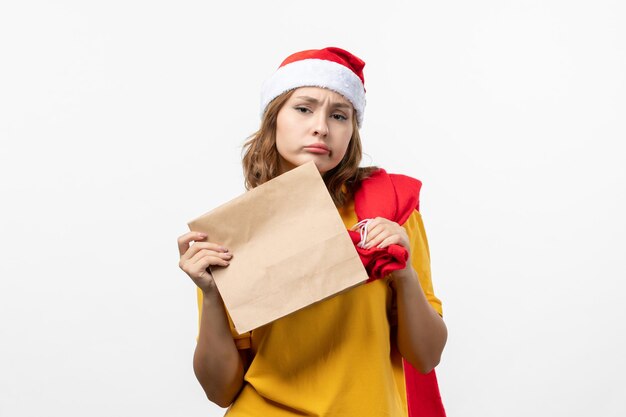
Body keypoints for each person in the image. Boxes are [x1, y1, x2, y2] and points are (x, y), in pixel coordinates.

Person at [177, 46, 447, 416]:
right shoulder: (235, 232)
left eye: (340, 115)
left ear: (352, 131)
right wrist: (210, 295)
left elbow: (427, 356)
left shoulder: (391, 211)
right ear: (273, 118)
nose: (321, 126)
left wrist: (405, 275)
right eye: (303, 108)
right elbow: (220, 390)